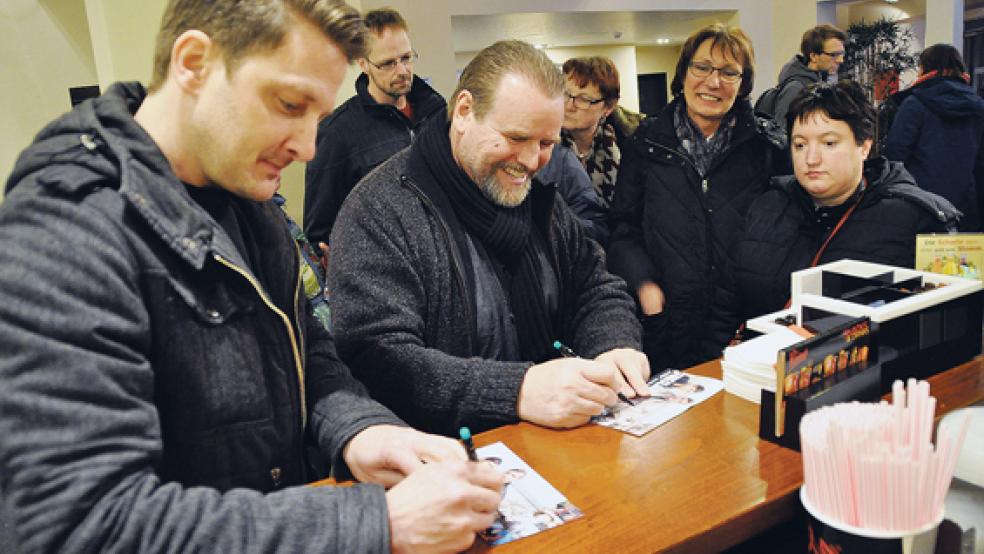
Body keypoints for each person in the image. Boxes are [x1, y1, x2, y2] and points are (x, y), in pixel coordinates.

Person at [0, 2, 504, 552]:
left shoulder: (248, 199)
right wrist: (373, 524)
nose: (308, 147)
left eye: (316, 115)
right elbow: (81, 524)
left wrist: (361, 429)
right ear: (193, 62)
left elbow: (304, 351)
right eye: (289, 104)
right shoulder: (60, 232)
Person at [328, 40, 648, 436]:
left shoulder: (543, 201)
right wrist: (516, 391)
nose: (532, 162)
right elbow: (380, 358)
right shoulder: (379, 210)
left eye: (546, 144)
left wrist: (614, 345)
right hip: (442, 461)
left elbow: (595, 287)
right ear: (464, 111)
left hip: (561, 446)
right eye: (516, 138)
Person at [608, 24, 786, 372]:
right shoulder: (645, 143)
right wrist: (645, 287)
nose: (713, 82)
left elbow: (783, 234)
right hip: (665, 321)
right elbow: (622, 228)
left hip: (744, 325)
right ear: (684, 72)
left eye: (728, 72)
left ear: (744, 82)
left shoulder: (767, 148)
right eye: (702, 67)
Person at [733, 81, 960, 321]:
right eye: (800, 145)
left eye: (829, 143)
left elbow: (940, 323)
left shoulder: (916, 220)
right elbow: (729, 299)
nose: (811, 159)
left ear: (864, 147)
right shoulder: (769, 204)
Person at [303, 7, 446, 250]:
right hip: (382, 268)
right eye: (388, 63)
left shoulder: (437, 110)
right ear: (363, 63)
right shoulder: (335, 133)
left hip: (443, 256)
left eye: (406, 58)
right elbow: (320, 233)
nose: (402, 71)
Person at [882, 44, 984, 231]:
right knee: (961, 259)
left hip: (919, 200)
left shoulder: (914, 103)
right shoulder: (978, 106)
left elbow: (895, 154)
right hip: (966, 201)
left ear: (924, 68)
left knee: (919, 257)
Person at [561, 56, 644, 209]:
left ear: (608, 108)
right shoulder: (544, 142)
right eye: (566, 94)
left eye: (583, 99)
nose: (569, 106)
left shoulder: (633, 141)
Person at [768, 24, 846, 125]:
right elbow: (781, 131)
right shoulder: (796, 88)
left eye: (842, 54)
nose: (840, 60)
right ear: (813, 56)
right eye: (833, 55)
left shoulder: (819, 82)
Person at [536, 142, 610, 244]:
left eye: (545, 143)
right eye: (515, 139)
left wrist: (554, 228)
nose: (530, 163)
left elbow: (595, 227)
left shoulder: (561, 158)